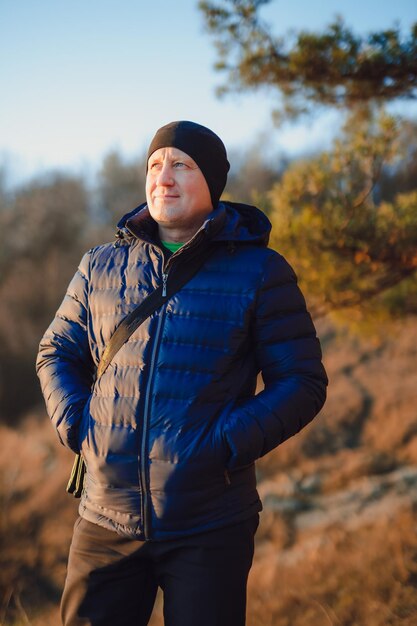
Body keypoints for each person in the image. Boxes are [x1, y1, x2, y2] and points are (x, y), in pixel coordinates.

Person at [36, 120, 328, 626]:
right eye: (154, 165)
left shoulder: (260, 272)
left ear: (212, 184)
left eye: (181, 165)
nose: (163, 178)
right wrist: (80, 426)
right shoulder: (100, 265)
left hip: (209, 522)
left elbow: (302, 382)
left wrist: (222, 446)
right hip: (105, 518)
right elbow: (56, 351)